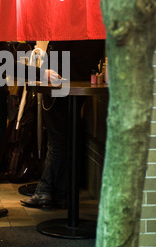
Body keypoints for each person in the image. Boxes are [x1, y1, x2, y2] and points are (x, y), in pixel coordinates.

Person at [20, 39, 105, 210]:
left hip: (58, 85)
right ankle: (48, 191)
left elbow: (57, 60)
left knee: (57, 140)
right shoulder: (95, 29)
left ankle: (55, 193)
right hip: (81, 84)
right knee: (61, 140)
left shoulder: (67, 29)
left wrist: (43, 71)